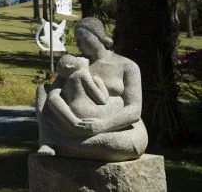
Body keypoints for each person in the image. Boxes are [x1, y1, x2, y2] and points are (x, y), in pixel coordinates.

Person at [35, 17, 148, 162]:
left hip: (117, 129)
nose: (78, 44)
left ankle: (65, 145)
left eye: (82, 38)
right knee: (42, 90)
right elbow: (52, 95)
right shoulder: (74, 63)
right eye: (76, 40)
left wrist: (103, 125)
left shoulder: (127, 66)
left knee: (115, 145)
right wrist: (72, 122)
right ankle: (49, 141)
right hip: (71, 127)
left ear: (97, 35)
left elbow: (134, 109)